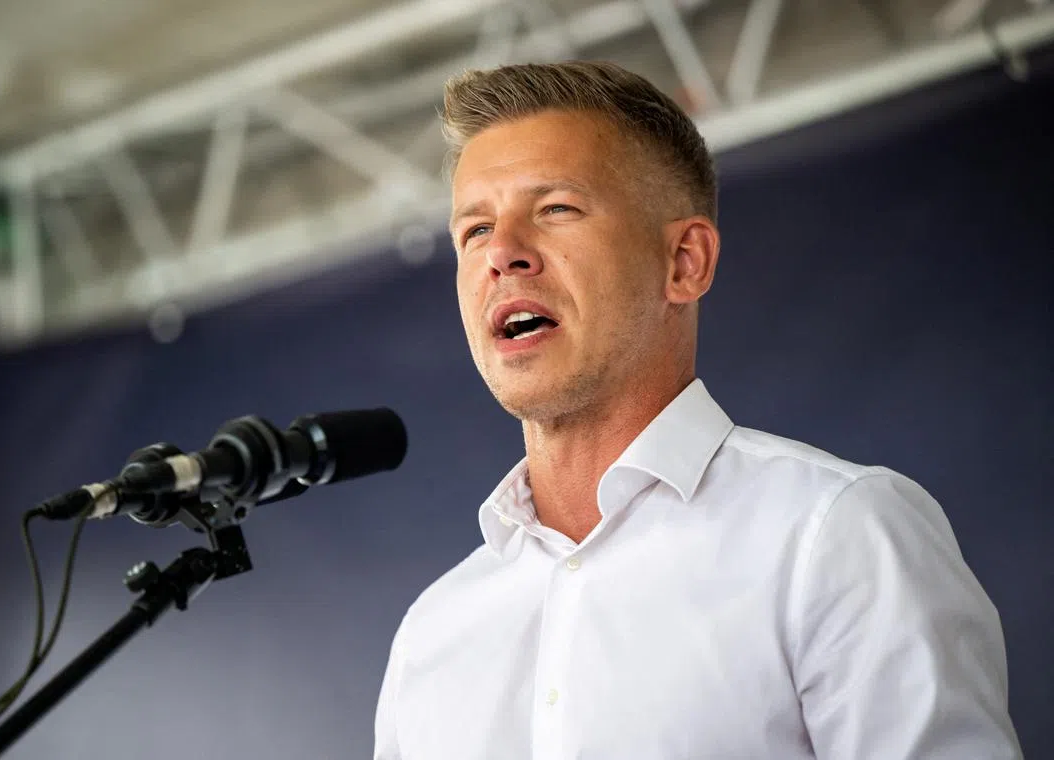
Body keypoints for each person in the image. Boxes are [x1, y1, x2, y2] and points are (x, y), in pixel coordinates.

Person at [373, 61, 1021, 759]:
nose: (502, 253)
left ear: (685, 262)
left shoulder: (834, 535)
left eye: (556, 209)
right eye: (474, 230)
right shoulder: (431, 635)